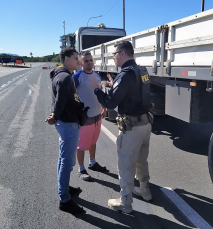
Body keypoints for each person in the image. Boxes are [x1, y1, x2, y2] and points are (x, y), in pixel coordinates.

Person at [89, 41, 153, 214]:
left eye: (114, 54)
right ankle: (145, 190)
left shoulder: (125, 75)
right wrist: (114, 84)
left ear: (123, 54)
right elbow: (137, 92)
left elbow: (110, 103)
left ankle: (125, 202)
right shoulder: (141, 70)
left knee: (126, 164)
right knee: (141, 159)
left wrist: (98, 90)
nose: (113, 57)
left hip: (131, 127)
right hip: (146, 123)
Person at [45, 47, 83, 214]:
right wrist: (55, 116)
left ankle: (64, 187)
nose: (78, 61)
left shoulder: (60, 74)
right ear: (67, 59)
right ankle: (64, 199)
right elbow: (60, 102)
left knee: (63, 158)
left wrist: (55, 116)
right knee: (67, 162)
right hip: (68, 123)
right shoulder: (65, 77)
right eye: (76, 58)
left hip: (65, 122)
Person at [73, 51, 107, 181]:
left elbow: (100, 92)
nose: (89, 63)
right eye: (86, 61)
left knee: (93, 141)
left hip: (97, 115)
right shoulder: (77, 76)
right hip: (84, 117)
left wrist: (103, 108)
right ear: (81, 63)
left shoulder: (97, 74)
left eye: (91, 60)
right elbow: (71, 95)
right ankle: (81, 168)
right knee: (82, 144)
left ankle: (92, 162)